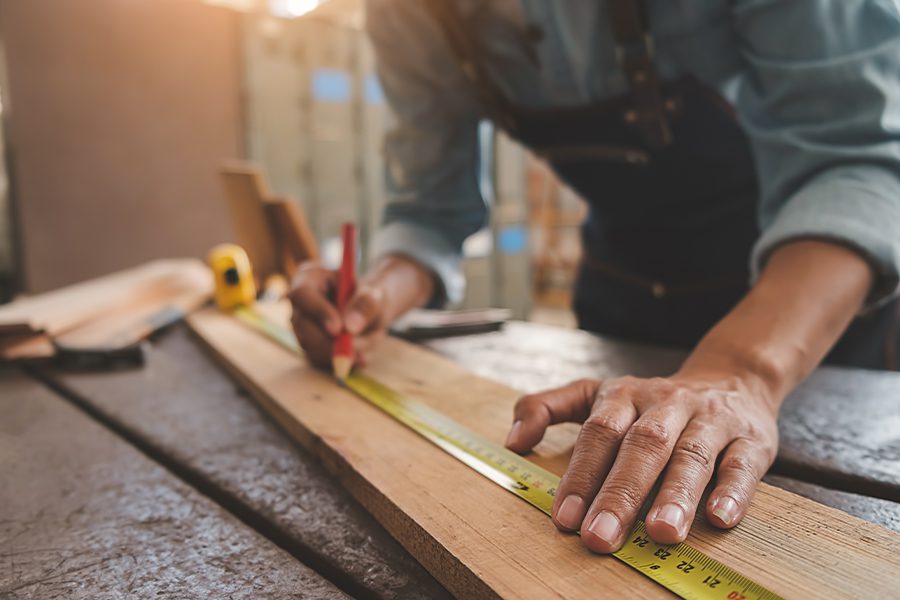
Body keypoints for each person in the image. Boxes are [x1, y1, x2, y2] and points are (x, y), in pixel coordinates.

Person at [290, 0, 900, 553]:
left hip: (805, 318)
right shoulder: (406, 11)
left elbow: (858, 163)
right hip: (626, 303)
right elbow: (428, 209)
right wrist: (376, 296)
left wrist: (741, 371)